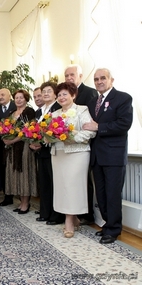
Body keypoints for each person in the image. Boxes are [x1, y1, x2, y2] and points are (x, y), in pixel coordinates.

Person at [83, 68, 133, 244]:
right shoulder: (92, 103)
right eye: (96, 79)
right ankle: (107, 224)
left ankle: (113, 229)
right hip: (96, 156)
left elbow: (124, 124)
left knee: (112, 194)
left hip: (113, 156)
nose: (99, 81)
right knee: (101, 194)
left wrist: (99, 127)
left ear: (112, 79)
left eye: (103, 78)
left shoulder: (123, 98)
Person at [50, 81, 96, 238]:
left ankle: (68, 221)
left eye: (65, 94)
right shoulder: (54, 114)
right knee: (62, 187)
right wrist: (46, 138)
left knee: (72, 187)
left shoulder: (82, 110)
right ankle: (74, 218)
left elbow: (90, 132)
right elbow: (48, 136)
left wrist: (71, 138)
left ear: (73, 95)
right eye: (59, 95)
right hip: (59, 154)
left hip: (77, 153)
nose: (61, 97)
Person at [65, 64, 98, 225]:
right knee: (69, 182)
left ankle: (86, 214)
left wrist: (75, 135)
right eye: (66, 75)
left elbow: (91, 122)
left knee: (84, 181)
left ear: (80, 76)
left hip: (85, 144)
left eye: (72, 74)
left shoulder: (90, 92)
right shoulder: (63, 97)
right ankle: (72, 214)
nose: (69, 77)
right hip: (65, 148)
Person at [30, 82, 64, 226]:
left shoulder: (58, 108)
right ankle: (45, 212)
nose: (45, 94)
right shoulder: (39, 111)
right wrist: (32, 141)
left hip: (53, 150)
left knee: (54, 183)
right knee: (44, 183)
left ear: (55, 93)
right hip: (41, 152)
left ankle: (56, 215)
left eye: (49, 91)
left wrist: (42, 143)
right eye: (43, 91)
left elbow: (56, 131)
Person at [2, 90, 37, 214]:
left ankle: (26, 203)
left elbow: (27, 130)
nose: (18, 100)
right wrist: (5, 137)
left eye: (21, 98)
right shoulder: (11, 113)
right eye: (16, 98)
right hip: (12, 149)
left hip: (25, 147)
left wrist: (13, 141)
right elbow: (5, 129)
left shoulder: (29, 112)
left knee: (24, 174)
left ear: (26, 99)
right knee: (16, 175)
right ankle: (21, 201)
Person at [0, 88, 16, 206]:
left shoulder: (15, 107)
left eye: (3, 94)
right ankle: (6, 195)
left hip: (14, 145)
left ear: (9, 96)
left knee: (11, 171)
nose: (0, 97)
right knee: (3, 171)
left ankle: (12, 195)